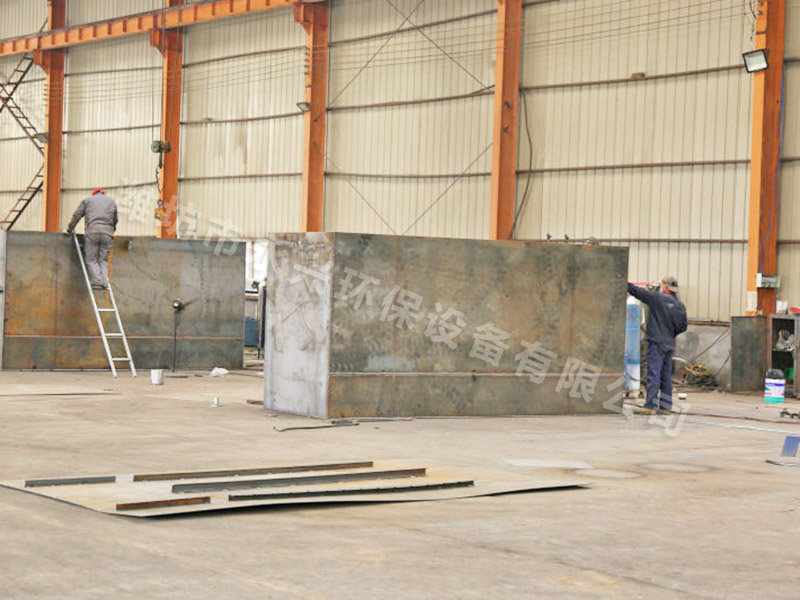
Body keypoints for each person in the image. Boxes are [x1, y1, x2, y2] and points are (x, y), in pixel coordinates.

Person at [627, 276, 688, 414]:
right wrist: (670, 334)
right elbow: (683, 326)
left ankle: (650, 405)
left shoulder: (657, 298)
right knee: (666, 375)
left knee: (653, 373)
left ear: (665, 286)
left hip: (656, 342)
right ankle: (665, 406)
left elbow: (639, 292)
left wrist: (625, 283)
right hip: (670, 343)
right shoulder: (680, 305)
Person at [66, 189, 118, 290]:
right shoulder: (112, 202)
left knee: (91, 259)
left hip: (93, 232)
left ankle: (97, 280)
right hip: (108, 234)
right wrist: (111, 231)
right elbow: (115, 220)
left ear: (93, 194)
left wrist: (70, 228)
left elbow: (77, 215)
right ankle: (104, 282)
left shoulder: (87, 201)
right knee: (103, 260)